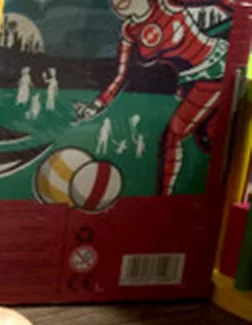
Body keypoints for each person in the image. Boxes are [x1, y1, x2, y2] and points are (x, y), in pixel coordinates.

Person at [73, 0, 233, 194]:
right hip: (190, 82)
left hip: (215, 68)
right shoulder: (129, 31)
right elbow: (120, 76)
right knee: (210, 138)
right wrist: (96, 106)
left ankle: (165, 198)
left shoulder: (168, 4)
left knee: (174, 135)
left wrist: (242, 14)